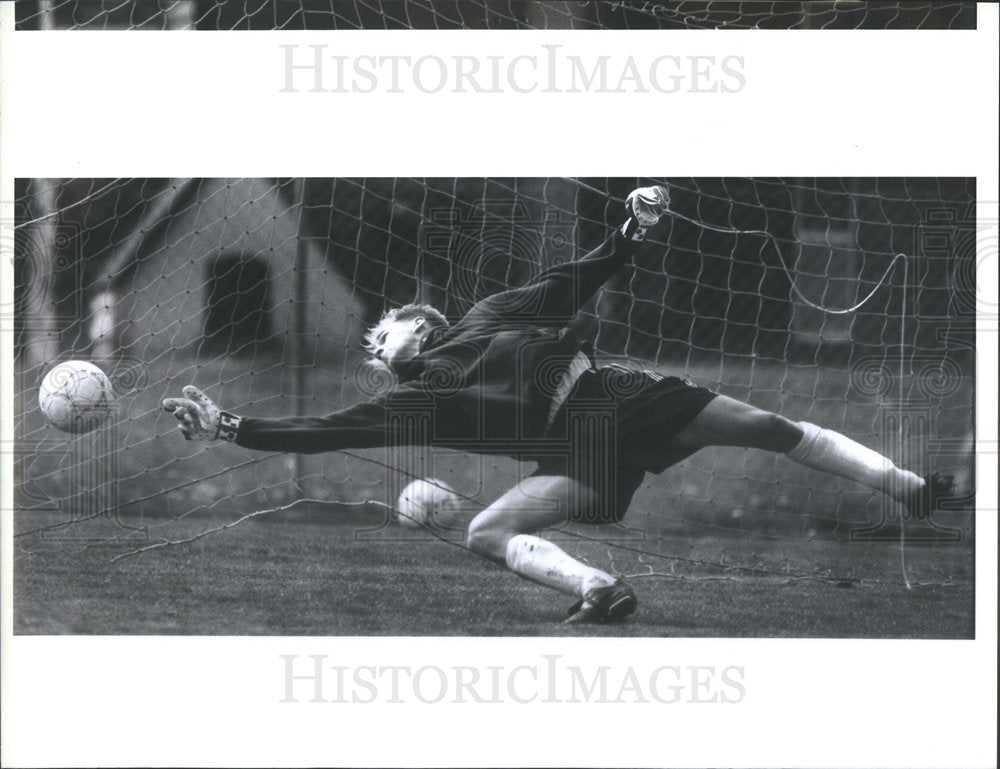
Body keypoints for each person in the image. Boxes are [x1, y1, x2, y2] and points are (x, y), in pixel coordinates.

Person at [163, 186, 953, 623]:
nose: (377, 337)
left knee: (774, 428)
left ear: (420, 321)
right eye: (373, 341)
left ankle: (913, 489)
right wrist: (228, 424)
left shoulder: (485, 316)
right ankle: (599, 590)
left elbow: (574, 279)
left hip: (618, 399)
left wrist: (631, 228)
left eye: (386, 324)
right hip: (574, 454)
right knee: (487, 530)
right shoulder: (413, 402)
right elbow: (318, 430)